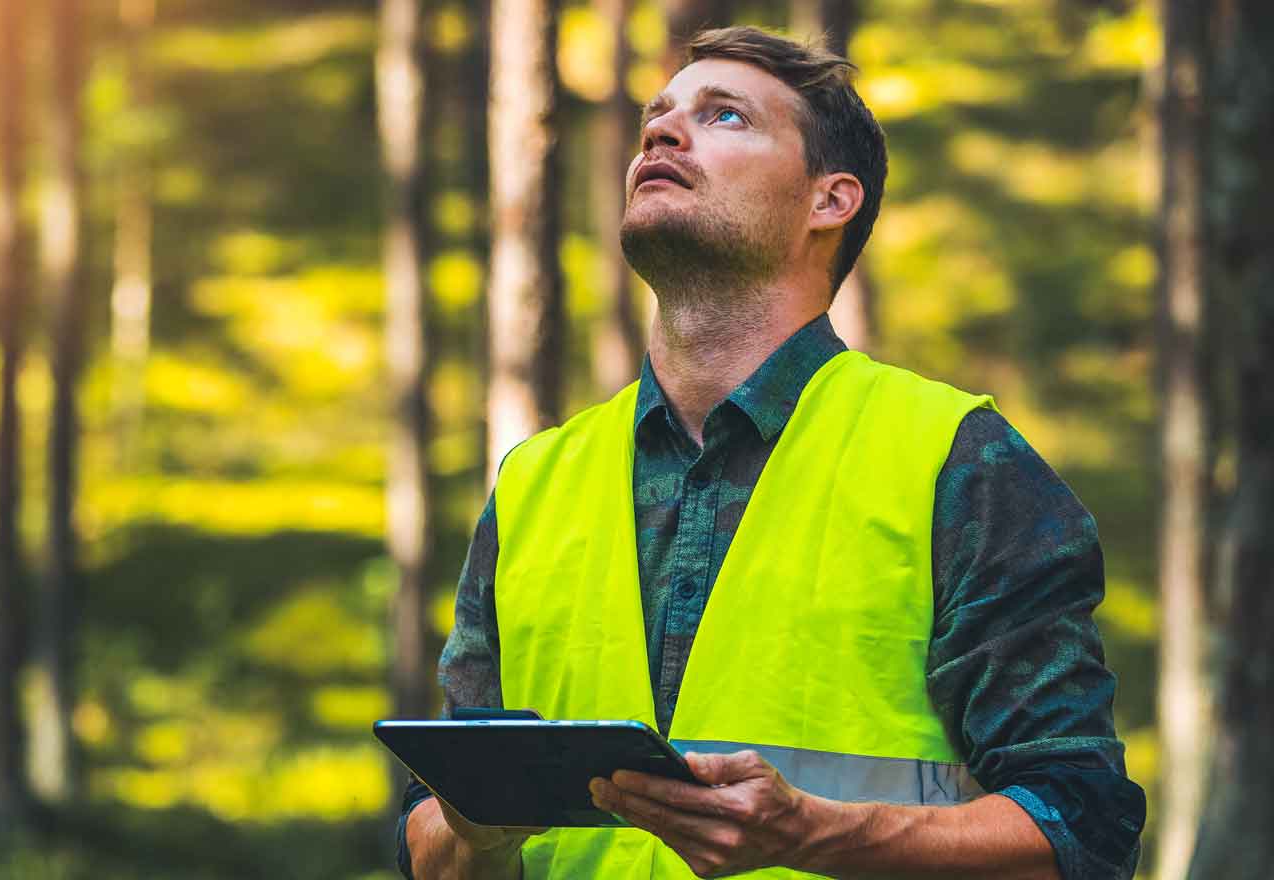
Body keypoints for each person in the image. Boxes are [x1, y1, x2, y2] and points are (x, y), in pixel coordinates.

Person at [396, 24, 1145, 880]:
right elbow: (432, 843)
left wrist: (816, 835)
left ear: (830, 201)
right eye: (659, 115)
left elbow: (1082, 826)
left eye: (724, 118)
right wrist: (472, 832)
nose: (662, 132)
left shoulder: (956, 459)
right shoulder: (534, 481)